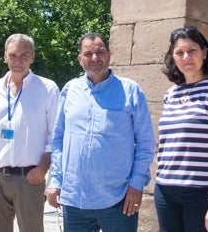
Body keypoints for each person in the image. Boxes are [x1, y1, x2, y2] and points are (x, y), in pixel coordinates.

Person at [46, 32, 155, 232]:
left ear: (110, 54)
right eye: (88, 53)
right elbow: (58, 139)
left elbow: (146, 142)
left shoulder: (130, 90)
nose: (95, 58)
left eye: (100, 52)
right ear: (80, 59)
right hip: (75, 199)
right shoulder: (70, 90)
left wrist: (137, 184)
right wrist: (56, 179)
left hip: (118, 198)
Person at [154, 26, 208, 232]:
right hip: (166, 190)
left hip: (202, 192)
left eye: (191, 50)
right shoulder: (171, 94)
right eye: (179, 52)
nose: (186, 57)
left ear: (204, 52)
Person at [0, 33, 60, 232]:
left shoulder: (47, 89)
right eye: (13, 55)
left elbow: (56, 136)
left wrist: (42, 170)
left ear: (33, 57)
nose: (18, 61)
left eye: (24, 55)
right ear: (5, 56)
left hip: (29, 177)